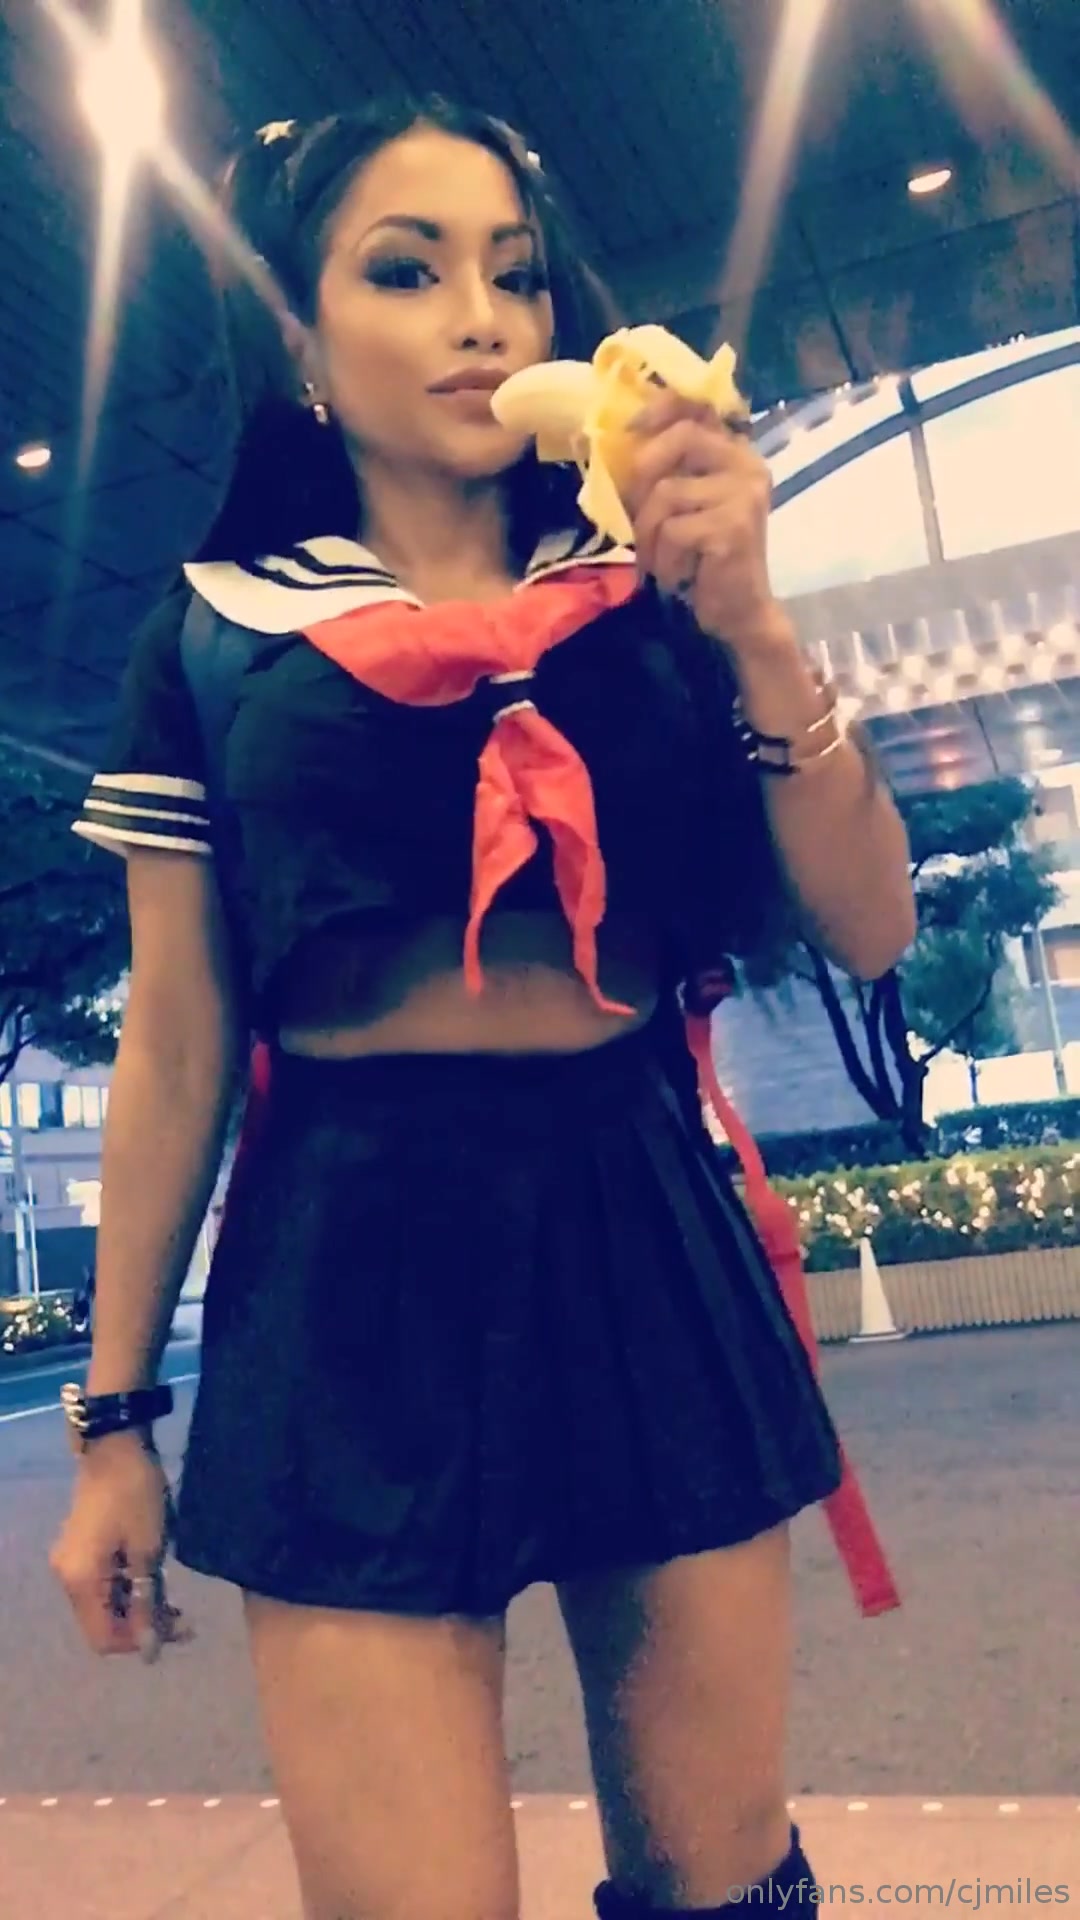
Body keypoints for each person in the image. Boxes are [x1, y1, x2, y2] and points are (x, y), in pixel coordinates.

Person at [49, 96, 916, 1920]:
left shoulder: (652, 588)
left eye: (515, 275)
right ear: (300, 344)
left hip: (636, 1211)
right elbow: (177, 1045)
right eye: (405, 269)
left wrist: (754, 624)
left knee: (722, 1883)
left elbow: (869, 923)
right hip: (347, 1258)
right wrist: (112, 1420)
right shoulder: (214, 635)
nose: (481, 318)